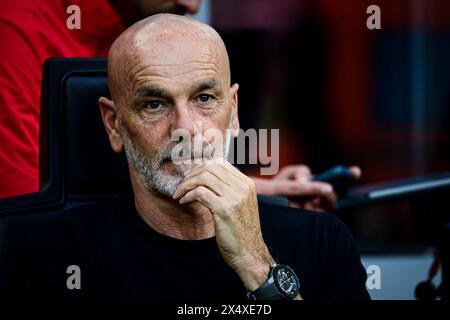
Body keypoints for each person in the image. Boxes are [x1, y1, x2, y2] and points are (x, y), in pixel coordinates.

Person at [0, 14, 370, 301]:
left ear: (235, 111)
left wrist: (258, 265)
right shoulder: (51, 252)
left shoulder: (321, 241)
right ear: (114, 124)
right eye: (155, 104)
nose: (185, 128)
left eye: (204, 99)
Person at [0, 0, 358, 212]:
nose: (192, 6)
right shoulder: (15, 29)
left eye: (205, 98)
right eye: (155, 103)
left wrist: (258, 193)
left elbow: (136, 169)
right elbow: (30, 207)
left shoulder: (139, 25)